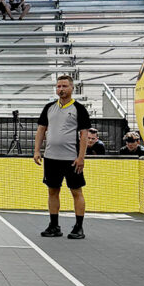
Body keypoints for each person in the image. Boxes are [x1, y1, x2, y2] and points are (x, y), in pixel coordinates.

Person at [34, 74, 92, 239]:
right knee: (53, 191)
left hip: (71, 158)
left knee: (76, 191)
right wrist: (37, 151)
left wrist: (81, 157)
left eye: (64, 86)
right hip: (51, 157)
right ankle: (54, 225)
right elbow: (41, 130)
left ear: (72, 88)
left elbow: (84, 135)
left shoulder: (79, 109)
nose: (61, 89)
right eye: (59, 86)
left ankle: (79, 227)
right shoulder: (49, 107)